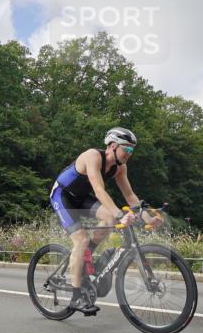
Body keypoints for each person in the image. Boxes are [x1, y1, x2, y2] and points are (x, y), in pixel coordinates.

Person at [49, 127, 161, 314]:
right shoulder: (93, 156)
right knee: (82, 239)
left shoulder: (120, 168)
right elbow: (99, 190)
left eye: (133, 150)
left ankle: (87, 255)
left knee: (107, 217)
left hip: (82, 197)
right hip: (62, 196)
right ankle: (76, 297)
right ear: (113, 145)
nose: (130, 154)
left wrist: (148, 217)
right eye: (128, 149)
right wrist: (120, 215)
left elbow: (130, 196)